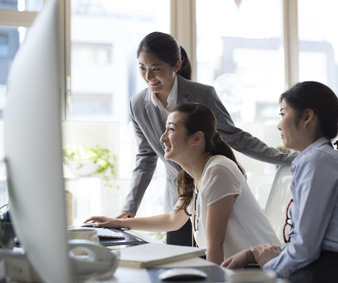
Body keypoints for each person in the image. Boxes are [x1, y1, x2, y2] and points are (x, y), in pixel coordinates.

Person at [118, 31, 296, 246]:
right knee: (179, 268)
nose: (148, 76)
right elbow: (145, 159)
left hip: (214, 191)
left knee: (215, 254)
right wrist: (128, 210)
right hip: (178, 200)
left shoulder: (202, 95)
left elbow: (236, 137)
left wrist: (287, 159)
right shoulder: (137, 104)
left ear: (176, 65)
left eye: (156, 68)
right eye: (142, 68)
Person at [86, 102, 280, 265]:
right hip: (236, 271)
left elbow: (215, 246)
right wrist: (119, 223)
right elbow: (173, 220)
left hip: (260, 269)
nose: (162, 138)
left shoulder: (218, 170)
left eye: (171, 129)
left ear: (197, 138)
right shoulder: (194, 175)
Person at [222, 81, 338, 283]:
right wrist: (252, 254)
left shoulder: (319, 160)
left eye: (283, 114)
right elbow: (308, 244)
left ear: (307, 116)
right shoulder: (317, 159)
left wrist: (269, 266)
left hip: (333, 271)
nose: (278, 124)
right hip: (330, 267)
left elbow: (305, 247)